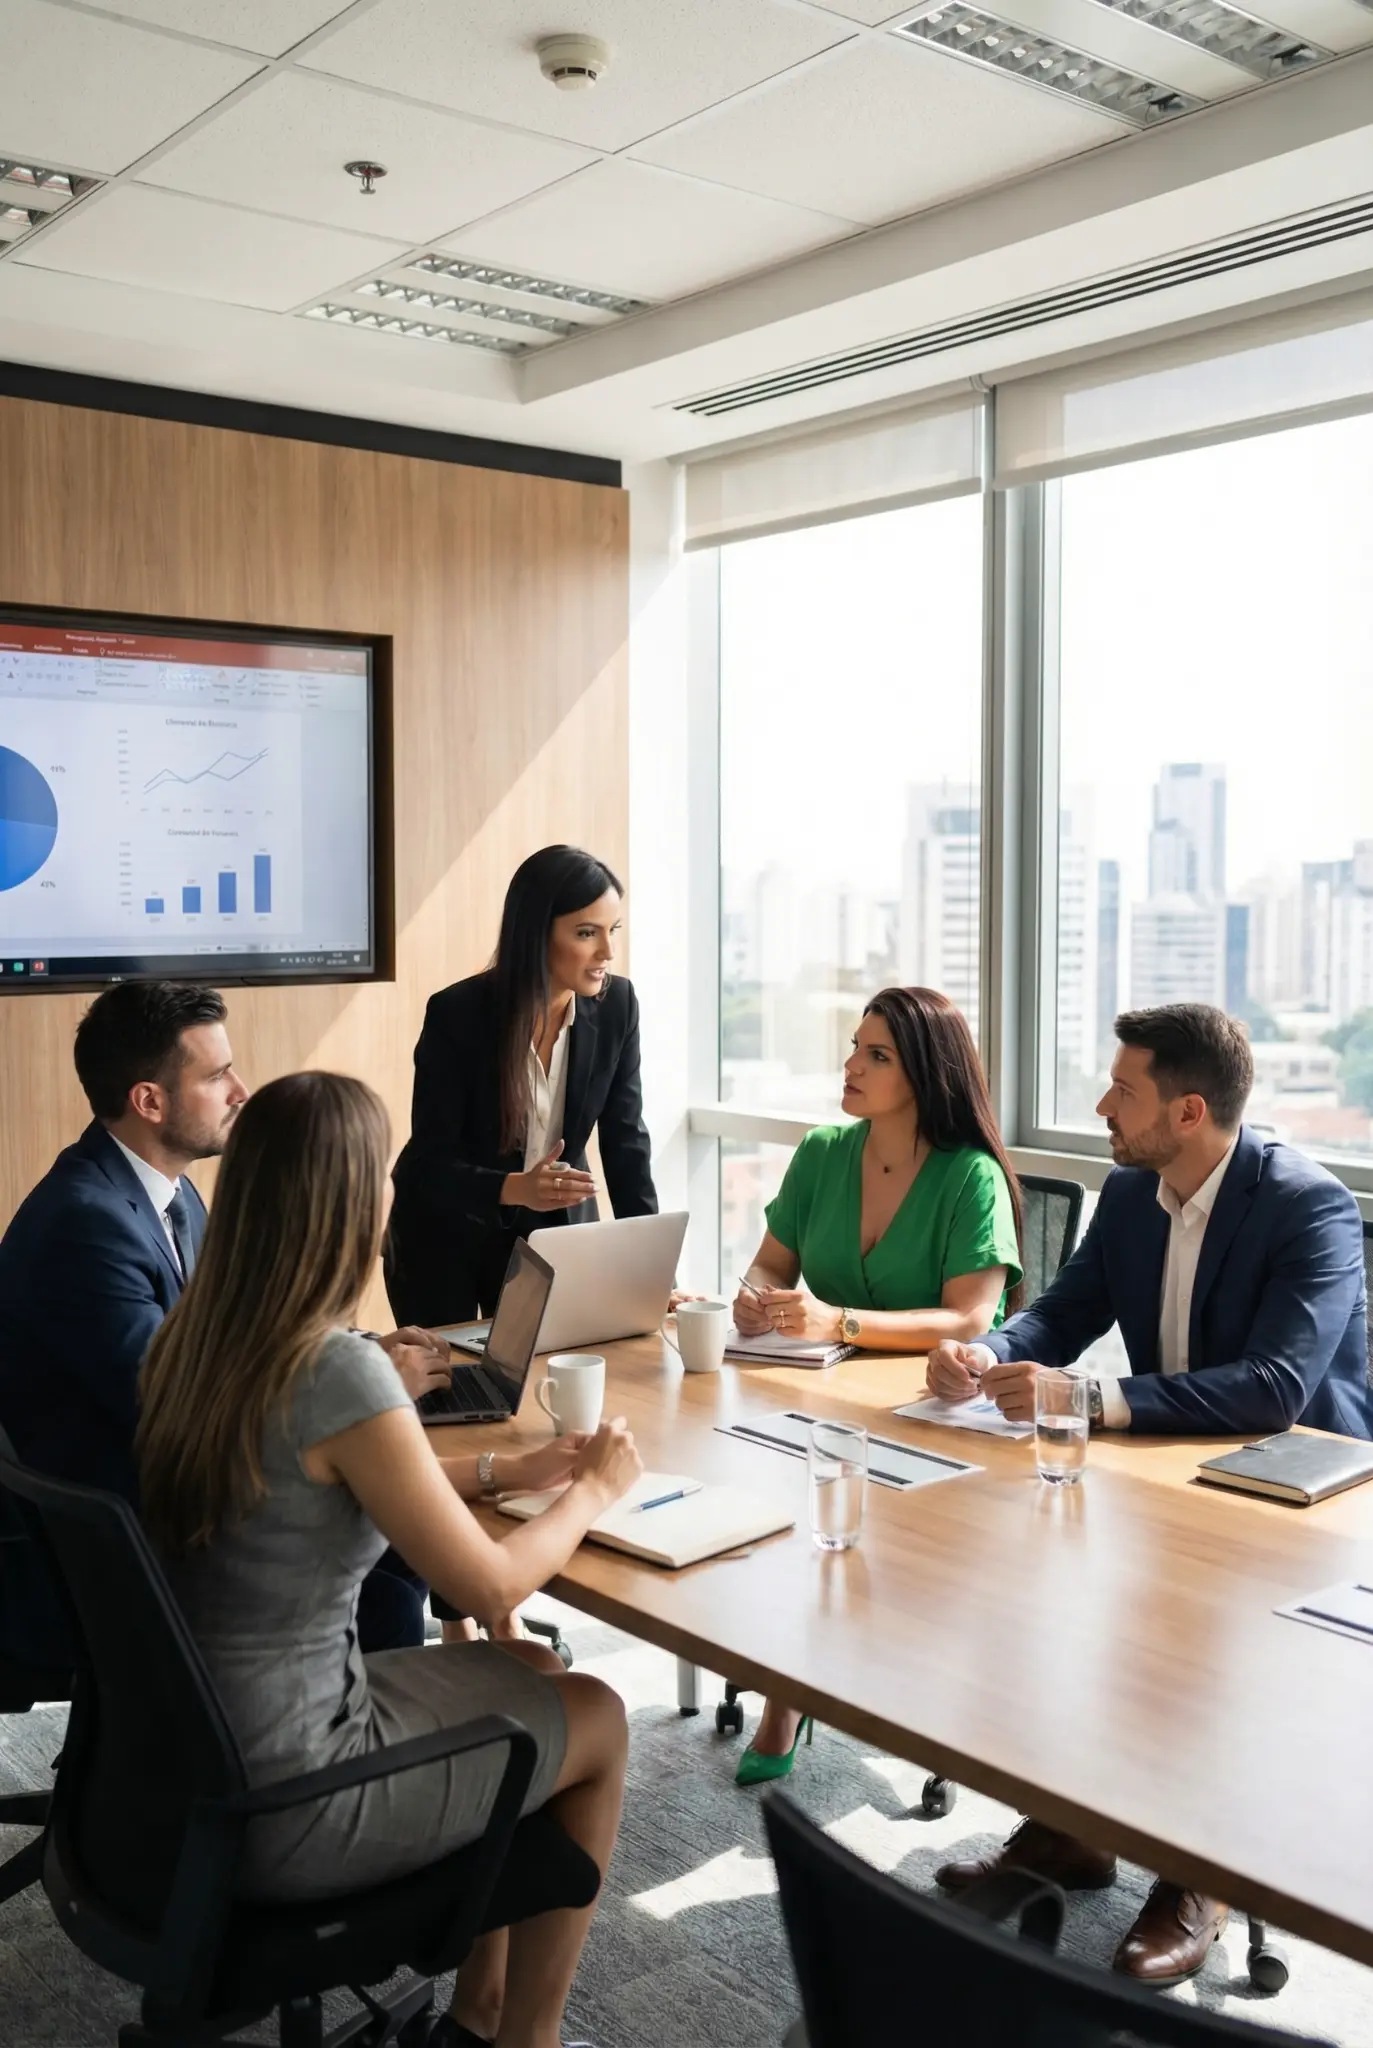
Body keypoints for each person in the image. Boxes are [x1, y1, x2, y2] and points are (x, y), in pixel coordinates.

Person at [137, 1070, 641, 2048]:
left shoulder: (192, 1340)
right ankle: (525, 2040)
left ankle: (476, 2015)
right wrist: (592, 1488)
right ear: (346, 1202)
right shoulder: (337, 1368)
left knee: (526, 1668)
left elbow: (317, 1482)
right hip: (296, 1790)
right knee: (601, 1714)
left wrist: (504, 1467)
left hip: (192, 1754)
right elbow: (486, 1585)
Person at [927, 1001, 1372, 1987]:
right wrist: (987, 1350)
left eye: (1121, 1090)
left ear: (1186, 1110)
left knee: (1190, 1643)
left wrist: (1089, 1395)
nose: (1099, 1105)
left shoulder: (1308, 1206)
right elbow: (1065, 1308)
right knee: (1033, 1586)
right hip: (1166, 1460)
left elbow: (1274, 1387)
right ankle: (1069, 1828)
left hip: (1298, 1499)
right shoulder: (1130, 1194)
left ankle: (1195, 1873)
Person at [0, 981, 450, 1670]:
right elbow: (179, 1407)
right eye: (215, 1075)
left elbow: (227, 1351)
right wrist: (359, 1394)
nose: (242, 1090)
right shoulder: (86, 1225)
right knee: (383, 1554)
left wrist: (355, 1357)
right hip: (136, 1552)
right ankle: (338, 1756)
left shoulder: (166, 1195)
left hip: (169, 1503)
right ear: (149, 1101)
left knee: (393, 1535)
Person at [728, 986, 1023, 1788]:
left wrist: (840, 1324)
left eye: (875, 1055)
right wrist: (754, 1294)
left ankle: (803, 1694)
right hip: (815, 1397)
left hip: (930, 1413)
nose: (850, 1064)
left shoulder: (969, 1177)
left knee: (860, 1539)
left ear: (923, 1075)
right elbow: (770, 1261)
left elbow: (968, 1317)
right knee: (777, 1511)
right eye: (855, 1047)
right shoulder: (824, 1151)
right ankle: (795, 1682)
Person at [386, 845, 657, 1329]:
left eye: (612, 930)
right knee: (454, 1388)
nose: (607, 952)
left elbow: (626, 1143)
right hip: (447, 1231)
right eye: (585, 933)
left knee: (554, 1371)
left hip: (552, 1235)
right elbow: (428, 1165)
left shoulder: (619, 1006)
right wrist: (516, 1188)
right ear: (536, 934)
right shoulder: (458, 1015)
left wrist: (651, 1271)